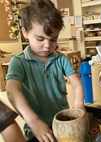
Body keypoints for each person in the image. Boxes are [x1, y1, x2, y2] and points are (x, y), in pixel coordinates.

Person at [5, 0, 84, 142]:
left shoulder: (61, 59)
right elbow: (12, 91)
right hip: (37, 129)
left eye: (53, 39)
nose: (47, 46)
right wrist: (33, 120)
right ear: (25, 32)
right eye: (40, 39)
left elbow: (76, 84)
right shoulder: (19, 62)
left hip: (61, 122)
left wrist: (78, 105)